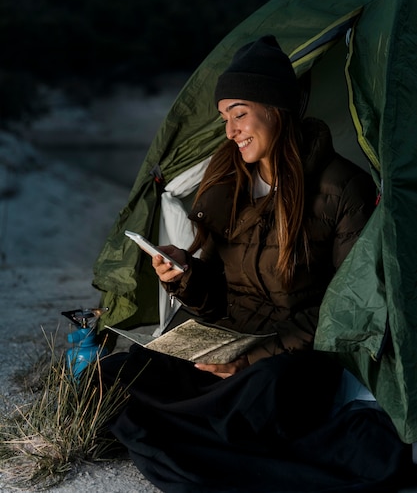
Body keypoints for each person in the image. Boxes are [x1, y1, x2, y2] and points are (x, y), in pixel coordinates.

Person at [99, 36, 410, 492]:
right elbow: (219, 294)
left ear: (277, 108)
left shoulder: (345, 188)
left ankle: (195, 429)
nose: (229, 131)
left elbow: (343, 312)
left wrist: (254, 357)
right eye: (225, 118)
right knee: (117, 371)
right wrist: (184, 275)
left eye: (239, 113)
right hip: (226, 340)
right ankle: (202, 428)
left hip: (292, 357)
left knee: (264, 390)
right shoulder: (228, 179)